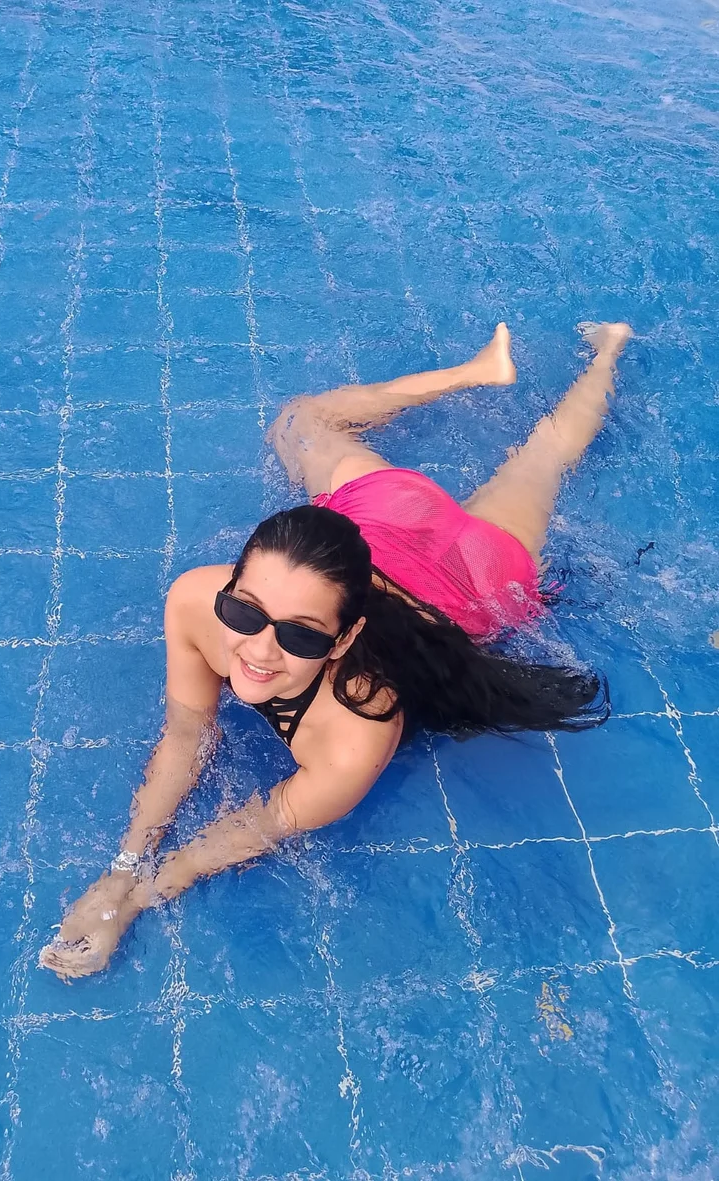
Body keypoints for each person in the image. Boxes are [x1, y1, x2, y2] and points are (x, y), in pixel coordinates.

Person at [40, 320, 631, 981]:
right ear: (231, 583)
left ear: (345, 637)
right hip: (386, 511)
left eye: (300, 634)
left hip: (473, 573)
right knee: (298, 420)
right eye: (245, 610)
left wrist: (139, 901)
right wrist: (118, 874)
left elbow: (258, 823)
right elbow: (186, 736)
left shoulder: (360, 729)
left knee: (545, 455)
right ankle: (477, 370)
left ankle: (611, 348)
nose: (259, 650)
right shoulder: (196, 601)